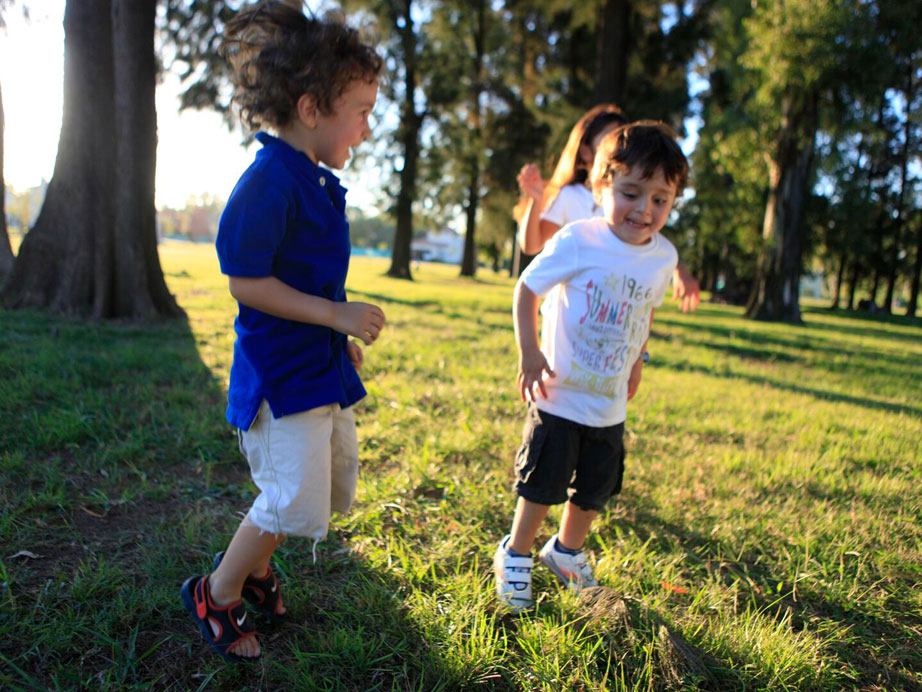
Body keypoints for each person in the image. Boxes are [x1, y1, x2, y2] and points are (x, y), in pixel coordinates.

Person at [180, 2, 385, 662]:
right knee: (289, 495)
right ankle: (218, 589)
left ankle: (262, 570)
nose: (367, 126)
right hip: (279, 380)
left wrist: (335, 336)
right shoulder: (270, 181)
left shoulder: (312, 180)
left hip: (315, 368)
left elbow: (307, 280)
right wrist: (336, 315)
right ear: (310, 108)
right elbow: (244, 279)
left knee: (322, 486)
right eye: (359, 109)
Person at [494, 121, 689, 612]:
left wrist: (640, 358)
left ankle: (566, 552)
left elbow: (644, 309)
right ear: (602, 185)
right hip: (560, 393)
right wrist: (530, 350)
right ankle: (515, 554)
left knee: (594, 488)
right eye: (630, 192)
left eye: (660, 200)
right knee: (543, 481)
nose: (644, 210)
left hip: (609, 402)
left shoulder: (663, 257)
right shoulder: (579, 240)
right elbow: (526, 289)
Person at [515, 104, 700, 313]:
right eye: (610, 138)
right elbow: (531, 246)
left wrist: (680, 270)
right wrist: (536, 200)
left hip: (611, 313)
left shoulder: (637, 201)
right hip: (568, 318)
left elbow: (647, 248)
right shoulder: (570, 196)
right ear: (585, 151)